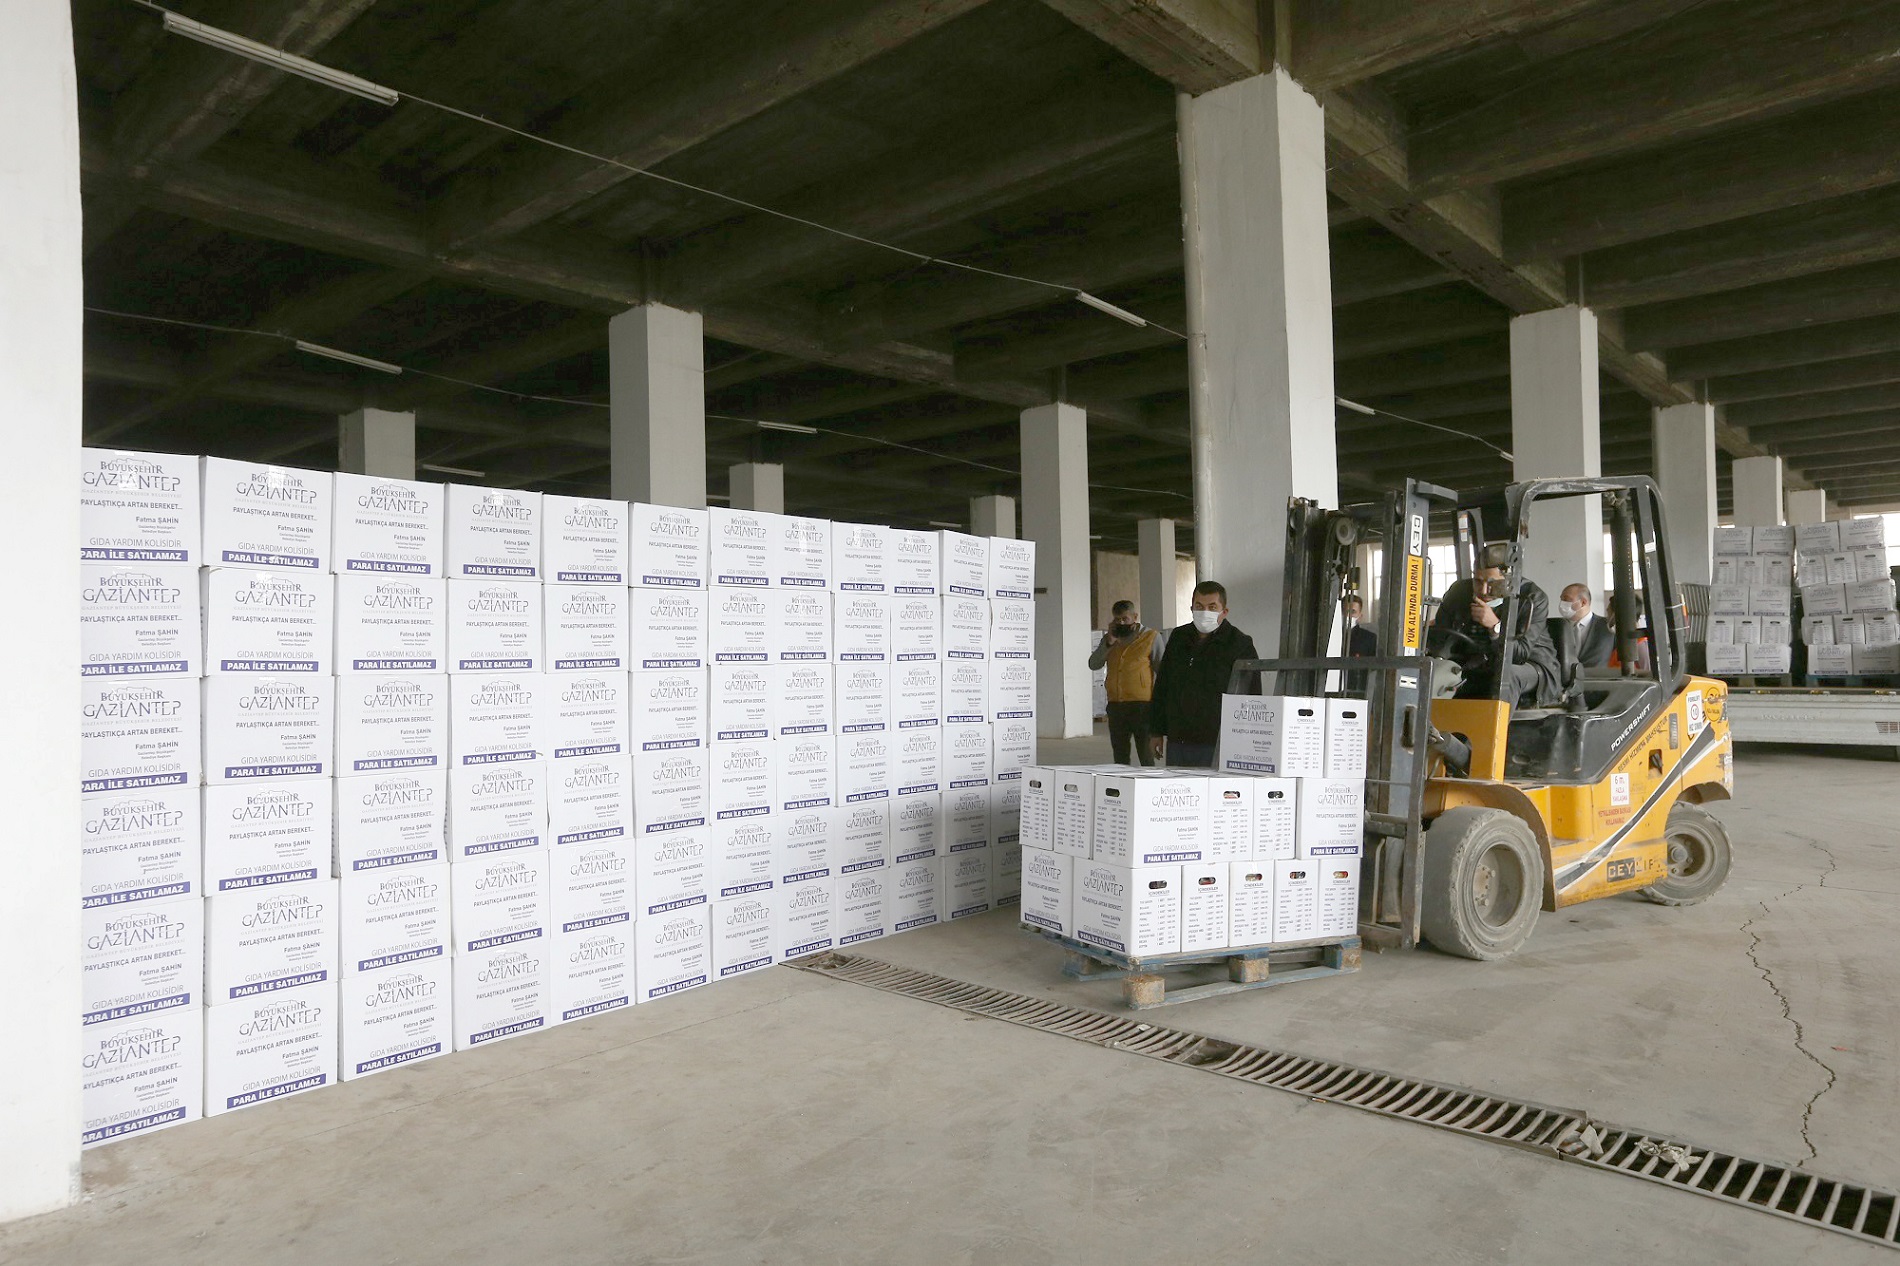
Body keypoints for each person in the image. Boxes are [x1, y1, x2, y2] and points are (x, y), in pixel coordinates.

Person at [1427, 543, 1560, 708]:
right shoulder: (1459, 592)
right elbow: (1440, 636)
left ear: (1508, 579)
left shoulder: (1531, 598)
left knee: (1506, 674)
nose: (1483, 590)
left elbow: (1520, 654)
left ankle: (1493, 725)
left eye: (1492, 583)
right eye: (1477, 581)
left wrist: (1495, 627)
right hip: (1475, 661)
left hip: (1529, 664)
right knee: (1431, 671)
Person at [1147, 581, 1259, 768]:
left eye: (1212, 607)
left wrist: (1247, 737)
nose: (1205, 612)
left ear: (1224, 611)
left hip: (1217, 740)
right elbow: (1163, 684)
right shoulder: (1179, 637)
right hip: (1179, 738)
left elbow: (1252, 694)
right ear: (1191, 608)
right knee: (1178, 784)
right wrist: (1156, 731)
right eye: (1199, 606)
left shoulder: (1239, 644)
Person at [1088, 599, 1163, 765]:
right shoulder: (1110, 639)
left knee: (1145, 754)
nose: (1121, 623)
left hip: (1142, 706)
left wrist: (1160, 704)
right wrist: (1109, 642)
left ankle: (1148, 780)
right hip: (1116, 705)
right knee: (1120, 756)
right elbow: (1094, 664)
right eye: (1117, 619)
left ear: (1135, 617)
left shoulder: (1151, 637)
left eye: (1125, 619)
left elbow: (1163, 672)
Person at [1559, 582, 1613, 668]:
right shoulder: (1557, 628)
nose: (1562, 603)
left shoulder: (1607, 627)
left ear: (1583, 602)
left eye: (1567, 599)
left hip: (1597, 676)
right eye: (1561, 599)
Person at [1344, 595, 1377, 694]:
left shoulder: (1368, 638)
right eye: (1344, 611)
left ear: (1360, 616)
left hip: (1356, 690)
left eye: (1353, 612)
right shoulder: (1327, 636)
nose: (1348, 615)